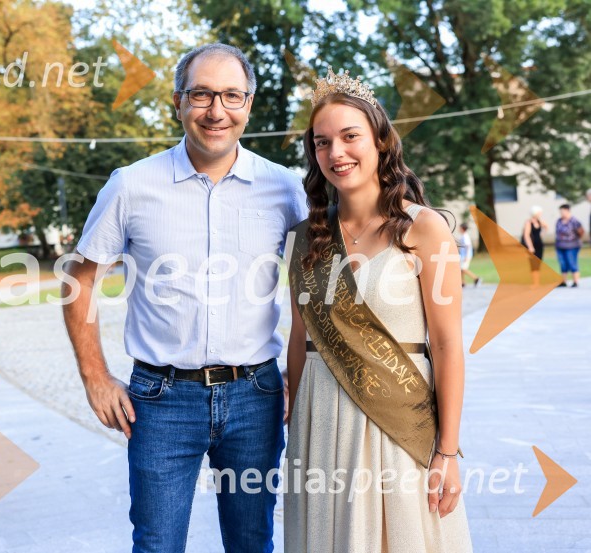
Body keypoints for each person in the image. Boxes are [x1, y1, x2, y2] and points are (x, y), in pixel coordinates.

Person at [62, 43, 307, 552]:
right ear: (177, 101)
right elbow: (78, 279)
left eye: (232, 96)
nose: (217, 111)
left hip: (256, 398)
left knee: (252, 544)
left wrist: (298, 374)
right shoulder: (131, 186)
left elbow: (316, 287)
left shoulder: (285, 189)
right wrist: (95, 377)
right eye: (202, 95)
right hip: (161, 401)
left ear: (249, 104)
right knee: (156, 546)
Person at [284, 68, 472, 551]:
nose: (336, 153)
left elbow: (449, 345)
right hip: (321, 417)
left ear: (381, 142)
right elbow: (300, 337)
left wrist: (447, 452)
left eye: (350, 136)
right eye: (322, 142)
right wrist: (293, 415)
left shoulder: (424, 229)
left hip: (397, 417)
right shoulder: (308, 237)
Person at [554, 204, 584, 287]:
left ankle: (575, 281)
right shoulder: (559, 221)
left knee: (572, 262)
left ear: (567, 210)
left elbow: (581, 231)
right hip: (560, 245)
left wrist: (576, 240)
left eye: (562, 211)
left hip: (572, 246)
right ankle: (563, 281)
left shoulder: (574, 221)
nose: (561, 213)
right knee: (563, 263)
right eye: (560, 212)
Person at [522, 205, 548, 286]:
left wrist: (542, 234)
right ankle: (535, 283)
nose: (540, 214)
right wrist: (530, 247)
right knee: (533, 265)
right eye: (539, 212)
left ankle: (537, 282)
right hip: (532, 246)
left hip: (539, 245)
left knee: (538, 264)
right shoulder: (528, 222)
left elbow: (546, 227)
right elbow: (526, 235)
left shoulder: (540, 222)